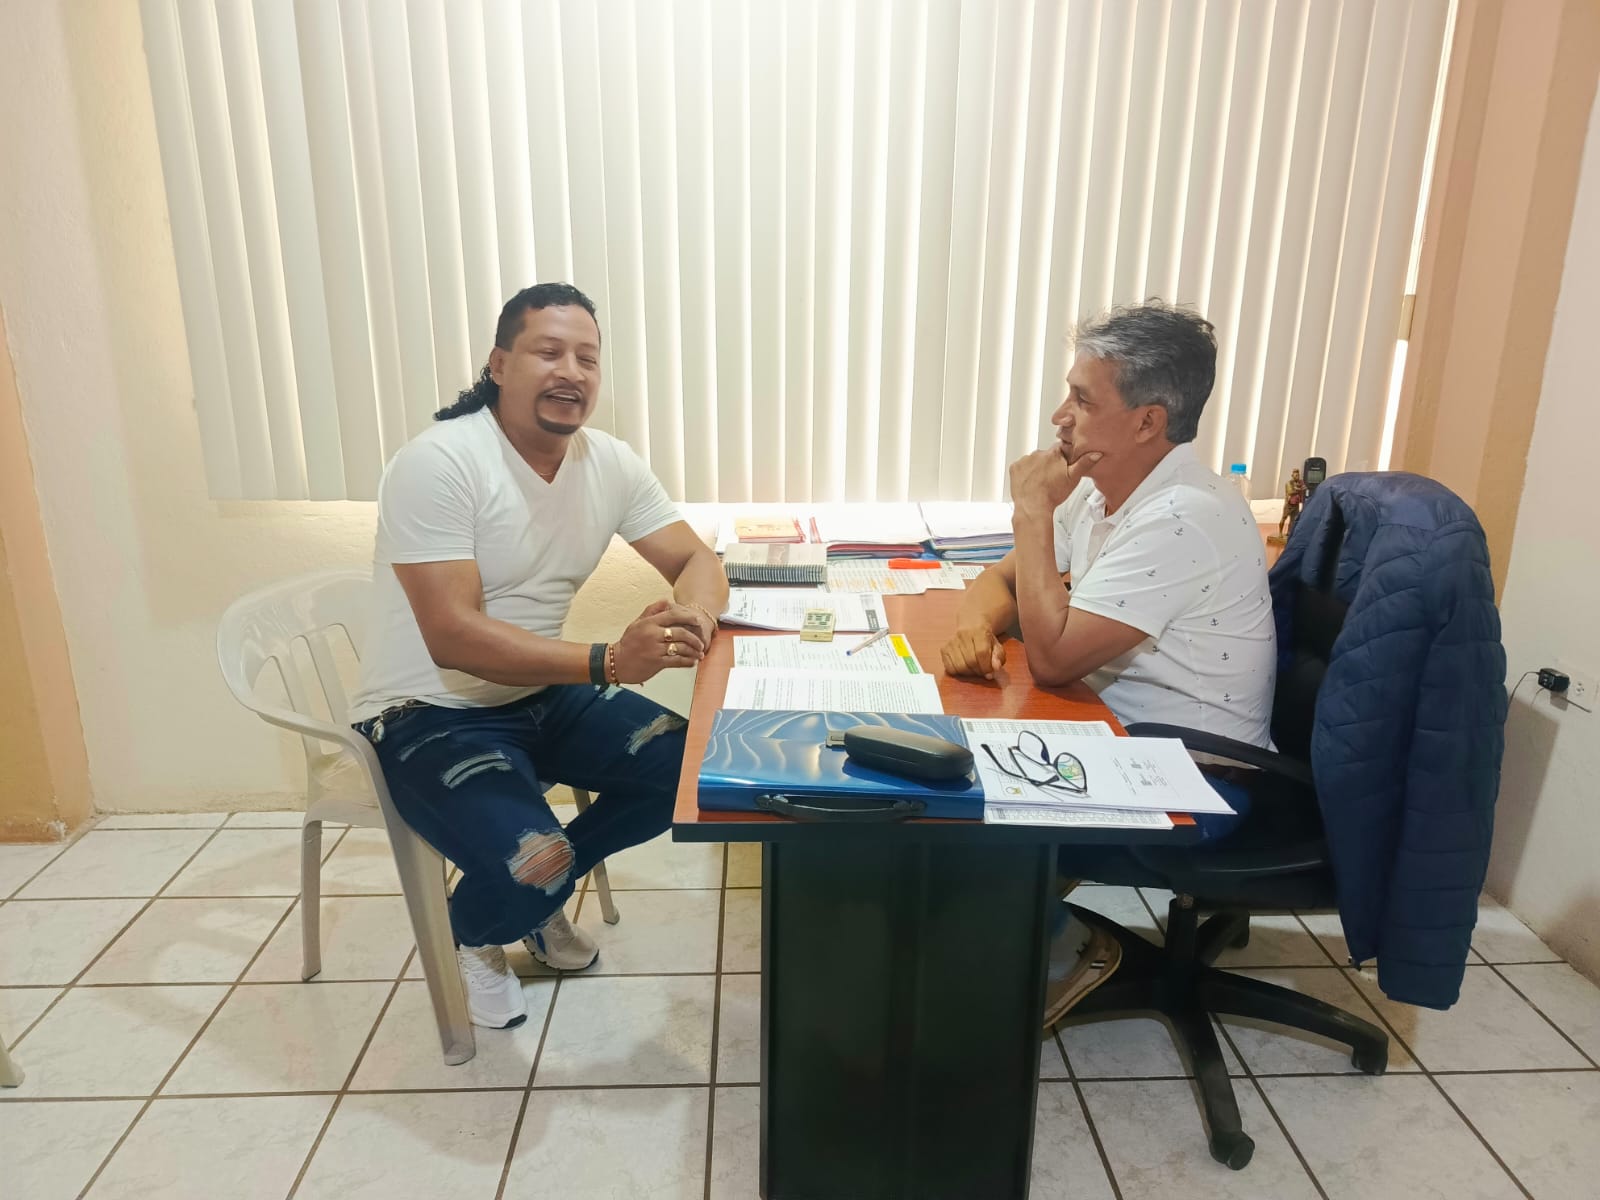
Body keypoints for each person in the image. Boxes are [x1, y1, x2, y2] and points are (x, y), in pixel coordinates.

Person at [349, 283, 729, 1029]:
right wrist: (609, 661)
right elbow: (454, 637)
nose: (571, 372)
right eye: (548, 352)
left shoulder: (607, 461)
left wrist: (693, 615)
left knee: (688, 775)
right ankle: (478, 930)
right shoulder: (440, 463)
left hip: (539, 695)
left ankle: (531, 896)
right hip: (428, 714)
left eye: (587, 357)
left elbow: (697, 560)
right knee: (537, 862)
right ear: (499, 364)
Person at [940, 301, 1275, 1026]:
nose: (1060, 417)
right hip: (1121, 735)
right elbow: (999, 581)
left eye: (1083, 400)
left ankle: (1075, 947)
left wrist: (1031, 512)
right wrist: (972, 627)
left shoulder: (1182, 515)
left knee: (956, 810)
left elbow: (1054, 659)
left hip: (1193, 774)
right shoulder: (1104, 490)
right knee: (946, 758)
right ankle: (1016, 921)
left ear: (1148, 421)